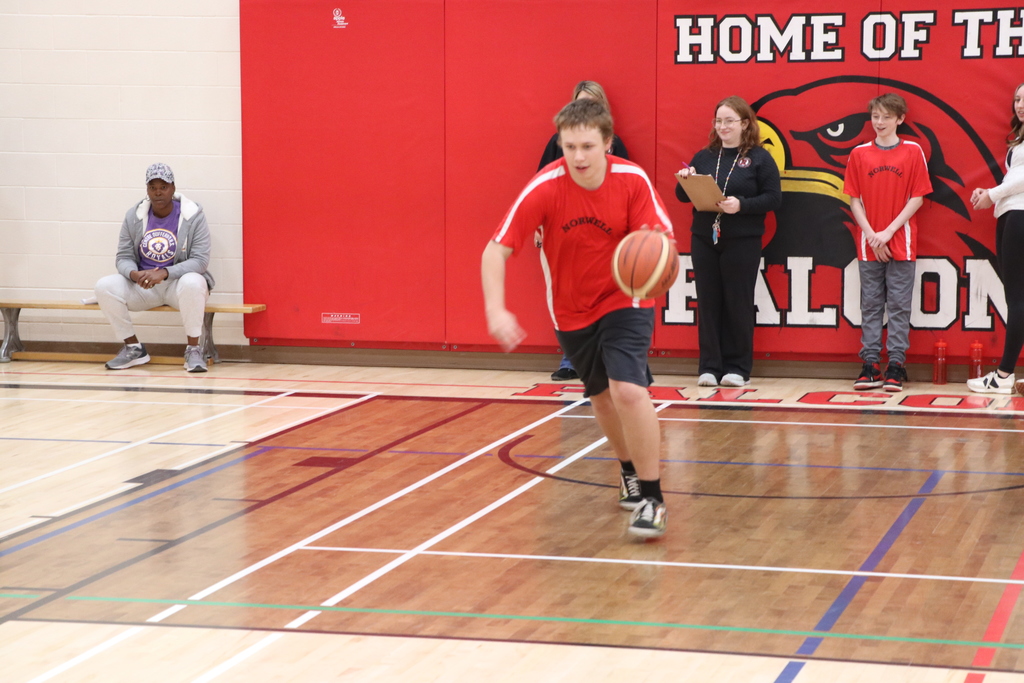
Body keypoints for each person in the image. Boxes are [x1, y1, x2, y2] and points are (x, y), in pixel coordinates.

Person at [482, 98, 673, 538]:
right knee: (602, 397)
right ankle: (627, 468)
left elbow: (659, 241)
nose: (579, 157)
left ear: (608, 143)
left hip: (627, 296)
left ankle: (653, 497)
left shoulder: (633, 180)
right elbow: (496, 249)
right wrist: (495, 307)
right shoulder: (544, 187)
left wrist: (653, 260)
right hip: (571, 306)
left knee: (628, 389)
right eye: (569, 147)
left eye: (587, 145)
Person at [675, 96, 781, 388]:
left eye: (729, 121)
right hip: (705, 238)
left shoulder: (760, 157)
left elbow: (774, 198)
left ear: (745, 124)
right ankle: (709, 365)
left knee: (738, 302)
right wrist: (686, 178)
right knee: (708, 301)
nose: (723, 126)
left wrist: (742, 205)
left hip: (742, 240)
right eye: (718, 121)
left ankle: (737, 366)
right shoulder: (705, 156)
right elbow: (682, 195)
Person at [539, 81, 630, 382]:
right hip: (565, 231)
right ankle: (572, 359)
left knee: (604, 296)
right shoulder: (557, 142)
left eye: (592, 102)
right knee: (568, 296)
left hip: (604, 231)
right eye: (580, 102)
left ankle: (606, 356)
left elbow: (626, 187)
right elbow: (540, 184)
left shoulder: (615, 144)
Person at [844, 94, 932, 392]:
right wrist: (871, 234)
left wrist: (888, 232)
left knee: (897, 304)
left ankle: (896, 364)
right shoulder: (858, 154)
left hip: (901, 241)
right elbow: (854, 200)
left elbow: (917, 197)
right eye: (875, 117)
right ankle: (870, 363)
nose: (879, 123)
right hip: (869, 242)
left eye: (885, 117)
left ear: (900, 119)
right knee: (870, 305)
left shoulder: (912, 151)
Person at [94, 163, 215, 373]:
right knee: (104, 286)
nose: (158, 192)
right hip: (144, 287)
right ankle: (133, 348)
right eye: (153, 187)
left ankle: (194, 349)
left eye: (164, 186)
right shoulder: (134, 216)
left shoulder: (193, 215)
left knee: (195, 280)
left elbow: (200, 260)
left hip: (177, 286)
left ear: (173, 187)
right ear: (147, 190)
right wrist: (133, 273)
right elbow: (123, 257)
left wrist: (165, 272)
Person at [967, 82, 1024, 394]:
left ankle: (1003, 375)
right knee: (1016, 297)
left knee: (1017, 298)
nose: (1020, 105)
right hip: (1011, 213)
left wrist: (992, 194)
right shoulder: (1019, 139)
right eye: (1017, 99)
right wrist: (992, 194)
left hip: (1019, 215)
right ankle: (1006, 373)